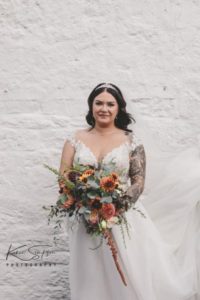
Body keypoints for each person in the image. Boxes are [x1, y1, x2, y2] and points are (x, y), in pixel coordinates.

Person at [59, 83, 200, 300]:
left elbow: (138, 181)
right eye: (98, 103)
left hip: (123, 217)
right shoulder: (75, 139)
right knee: (91, 275)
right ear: (91, 106)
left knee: (128, 274)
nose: (103, 108)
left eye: (110, 104)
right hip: (86, 218)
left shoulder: (131, 140)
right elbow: (64, 176)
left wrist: (114, 207)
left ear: (119, 108)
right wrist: (83, 201)